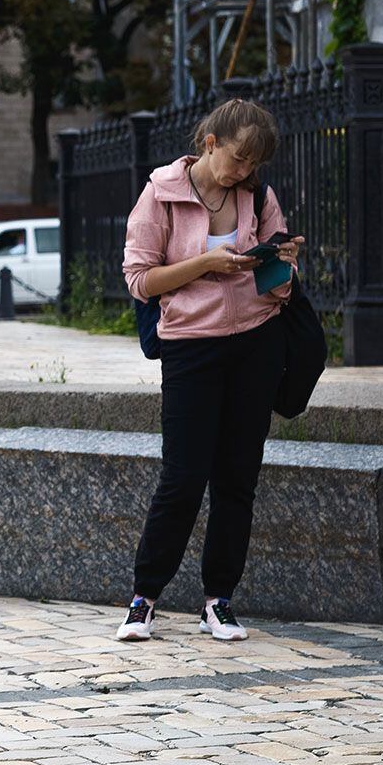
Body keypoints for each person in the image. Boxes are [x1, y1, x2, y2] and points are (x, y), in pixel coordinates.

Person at [117, 98, 303, 643]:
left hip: (255, 345)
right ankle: (143, 600)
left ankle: (218, 602)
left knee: (236, 481)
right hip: (190, 348)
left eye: (254, 164)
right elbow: (139, 280)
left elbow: (280, 289)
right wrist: (206, 264)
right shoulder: (161, 195)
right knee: (181, 477)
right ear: (210, 143)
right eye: (238, 159)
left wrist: (281, 266)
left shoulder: (258, 196)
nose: (244, 172)